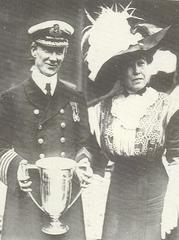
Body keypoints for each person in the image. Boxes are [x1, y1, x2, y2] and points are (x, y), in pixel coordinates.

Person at [82, 5, 177, 240]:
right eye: (129, 65)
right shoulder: (102, 110)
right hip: (117, 196)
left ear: (149, 66)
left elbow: (177, 159)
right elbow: (94, 154)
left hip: (155, 195)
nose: (136, 71)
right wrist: (85, 163)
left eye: (141, 63)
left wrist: (173, 206)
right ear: (119, 72)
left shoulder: (167, 105)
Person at [0, 20, 93, 240]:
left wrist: (84, 162)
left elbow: (86, 142)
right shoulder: (11, 98)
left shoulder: (74, 96)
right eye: (47, 49)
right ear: (34, 50)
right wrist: (17, 168)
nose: (53, 57)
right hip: (27, 195)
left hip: (66, 195)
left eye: (59, 51)